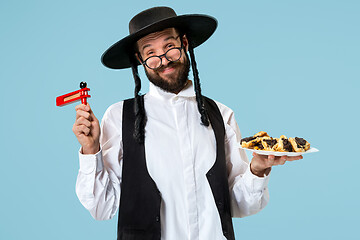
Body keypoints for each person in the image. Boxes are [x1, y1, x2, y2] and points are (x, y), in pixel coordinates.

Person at [73, 6, 303, 240]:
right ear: (139, 59)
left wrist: (258, 169)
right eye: (150, 52)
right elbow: (102, 209)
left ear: (184, 43)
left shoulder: (221, 115)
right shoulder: (119, 117)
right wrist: (91, 151)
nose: (163, 60)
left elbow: (240, 205)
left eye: (169, 46)